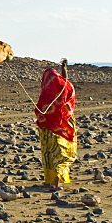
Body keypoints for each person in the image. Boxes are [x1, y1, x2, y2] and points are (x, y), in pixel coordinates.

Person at [35, 59, 77, 191]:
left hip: (48, 129)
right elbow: (65, 85)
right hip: (63, 128)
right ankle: (55, 183)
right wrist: (64, 69)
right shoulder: (64, 89)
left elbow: (40, 111)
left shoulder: (47, 94)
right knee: (60, 154)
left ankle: (50, 181)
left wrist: (64, 70)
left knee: (50, 155)